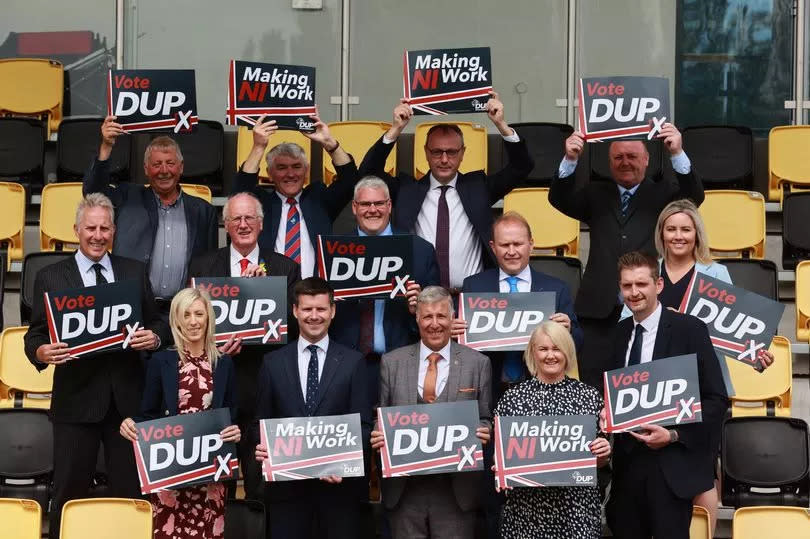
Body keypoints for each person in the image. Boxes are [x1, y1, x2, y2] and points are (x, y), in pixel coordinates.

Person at [618, 199, 773, 533]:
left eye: (685, 229)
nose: (678, 235)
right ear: (661, 233)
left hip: (700, 390)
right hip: (654, 392)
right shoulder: (647, 271)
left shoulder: (715, 273)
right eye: (671, 228)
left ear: (696, 233)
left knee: (700, 475)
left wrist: (755, 353)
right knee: (659, 479)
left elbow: (733, 331)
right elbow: (626, 324)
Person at [24, 193, 169, 539]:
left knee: (131, 498)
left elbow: (158, 321)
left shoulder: (133, 272)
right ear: (76, 230)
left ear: (114, 231)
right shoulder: (51, 277)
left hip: (128, 407)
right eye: (91, 228)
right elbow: (34, 336)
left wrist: (155, 338)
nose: (98, 235)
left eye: (105, 228)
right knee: (67, 495)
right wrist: (43, 352)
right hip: (76, 404)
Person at [548, 126, 704, 389]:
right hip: (597, 313)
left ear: (647, 160)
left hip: (644, 308)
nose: (625, 162)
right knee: (594, 386)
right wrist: (571, 159)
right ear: (609, 163)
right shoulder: (595, 193)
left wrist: (676, 151)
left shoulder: (663, 193)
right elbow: (559, 198)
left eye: (632, 156)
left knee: (643, 385)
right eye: (618, 157)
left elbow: (693, 196)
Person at [605, 251, 727, 539]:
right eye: (626, 286)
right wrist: (606, 410)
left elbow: (716, 400)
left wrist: (673, 435)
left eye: (641, 284)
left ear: (658, 285)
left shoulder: (690, 330)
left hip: (672, 468)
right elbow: (610, 393)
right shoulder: (618, 334)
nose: (634, 293)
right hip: (627, 470)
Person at [188, 191, 300, 500]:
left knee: (260, 485)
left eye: (250, 217)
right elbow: (187, 324)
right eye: (236, 218)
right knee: (213, 486)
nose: (243, 224)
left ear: (261, 224)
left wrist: (260, 292)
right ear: (225, 225)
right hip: (214, 386)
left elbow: (294, 327)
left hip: (263, 385)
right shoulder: (202, 266)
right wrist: (216, 345)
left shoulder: (285, 268)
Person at [358, 92, 534, 289]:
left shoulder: (478, 188)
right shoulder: (407, 190)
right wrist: (396, 129)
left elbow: (522, 167)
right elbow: (368, 172)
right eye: (436, 152)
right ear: (426, 152)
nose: (443, 159)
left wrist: (500, 124)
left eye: (451, 152)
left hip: (471, 299)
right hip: (420, 300)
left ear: (462, 153)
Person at [370, 286, 492, 539]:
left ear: (452, 318)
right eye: (427, 317)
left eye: (441, 316)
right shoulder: (392, 362)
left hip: (455, 491)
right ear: (417, 319)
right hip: (405, 490)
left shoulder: (478, 363)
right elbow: (380, 416)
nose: (434, 324)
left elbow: (485, 417)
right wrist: (377, 434)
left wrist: (484, 430)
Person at [254, 277, 371, 539]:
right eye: (307, 309)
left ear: (333, 311)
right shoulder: (272, 363)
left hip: (338, 496)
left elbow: (364, 425)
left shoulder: (354, 362)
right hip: (287, 496)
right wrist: (261, 446)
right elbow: (259, 424)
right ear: (295, 311)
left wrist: (338, 462)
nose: (314, 316)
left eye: (320, 309)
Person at [119, 287, 240, 539]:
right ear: (176, 319)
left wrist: (235, 431)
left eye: (199, 313)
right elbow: (148, 413)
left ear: (208, 317)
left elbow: (232, 415)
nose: (193, 321)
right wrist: (131, 423)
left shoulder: (224, 362)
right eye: (186, 315)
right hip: (170, 472)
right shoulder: (161, 361)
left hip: (210, 475)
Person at [85, 119, 219, 315]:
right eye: (157, 164)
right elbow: (92, 193)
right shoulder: (127, 197)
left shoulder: (203, 212)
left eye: (170, 163)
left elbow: (209, 267)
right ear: (146, 169)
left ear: (181, 167)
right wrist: (106, 146)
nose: (164, 171)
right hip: (134, 308)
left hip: (183, 313)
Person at [329, 175, 440, 408]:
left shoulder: (420, 250)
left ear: (389, 206)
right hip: (346, 364)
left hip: (402, 362)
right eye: (365, 204)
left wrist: (416, 310)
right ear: (354, 207)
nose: (373, 210)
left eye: (379, 203)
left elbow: (436, 319)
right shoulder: (333, 252)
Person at [493, 321, 611, 538]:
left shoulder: (590, 397)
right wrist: (501, 468)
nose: (550, 355)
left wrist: (603, 452)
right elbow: (501, 453)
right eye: (543, 349)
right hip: (526, 511)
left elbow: (598, 461)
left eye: (557, 348)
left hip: (576, 510)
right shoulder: (512, 398)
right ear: (532, 352)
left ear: (567, 352)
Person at [459, 211, 583, 404]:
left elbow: (578, 345)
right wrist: (455, 333)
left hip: (541, 392)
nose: (511, 251)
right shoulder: (474, 286)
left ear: (531, 245)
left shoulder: (556, 288)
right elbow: (462, 350)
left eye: (517, 244)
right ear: (493, 247)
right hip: (487, 391)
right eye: (504, 245)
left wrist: (568, 332)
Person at [231, 110, 360, 277]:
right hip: (271, 291)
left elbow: (350, 181)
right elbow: (239, 193)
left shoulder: (319, 200)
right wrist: (258, 147)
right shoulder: (261, 204)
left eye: (297, 167)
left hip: (314, 293)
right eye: (282, 168)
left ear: (306, 171)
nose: (290, 174)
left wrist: (329, 142)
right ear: (270, 174)